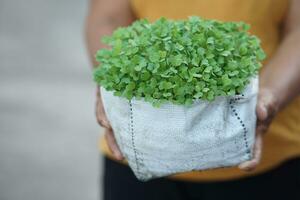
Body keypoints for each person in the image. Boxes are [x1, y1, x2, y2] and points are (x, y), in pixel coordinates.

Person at [85, 0, 300, 199]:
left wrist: (270, 94)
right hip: (137, 153)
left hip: (270, 158)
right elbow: (107, 19)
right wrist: (114, 84)